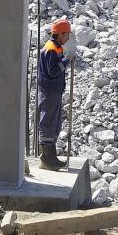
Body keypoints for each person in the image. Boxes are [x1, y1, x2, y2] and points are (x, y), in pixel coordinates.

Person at [36, 17, 72, 171]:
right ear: (60, 34)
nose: (68, 38)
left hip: (53, 91)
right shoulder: (51, 48)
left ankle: (51, 157)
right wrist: (65, 61)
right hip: (49, 91)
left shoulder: (55, 47)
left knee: (54, 124)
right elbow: (53, 71)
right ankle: (46, 158)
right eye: (67, 35)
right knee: (48, 123)